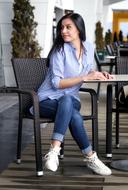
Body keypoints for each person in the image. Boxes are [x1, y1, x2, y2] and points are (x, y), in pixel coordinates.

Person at [37, 13, 113, 175]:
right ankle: (91, 158)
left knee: (68, 100)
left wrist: (97, 73)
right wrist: (85, 77)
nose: (63, 31)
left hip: (72, 99)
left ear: (79, 29)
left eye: (68, 27)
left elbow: (86, 70)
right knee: (74, 115)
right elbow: (56, 84)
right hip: (46, 101)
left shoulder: (89, 47)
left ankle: (54, 151)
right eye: (61, 28)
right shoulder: (59, 51)